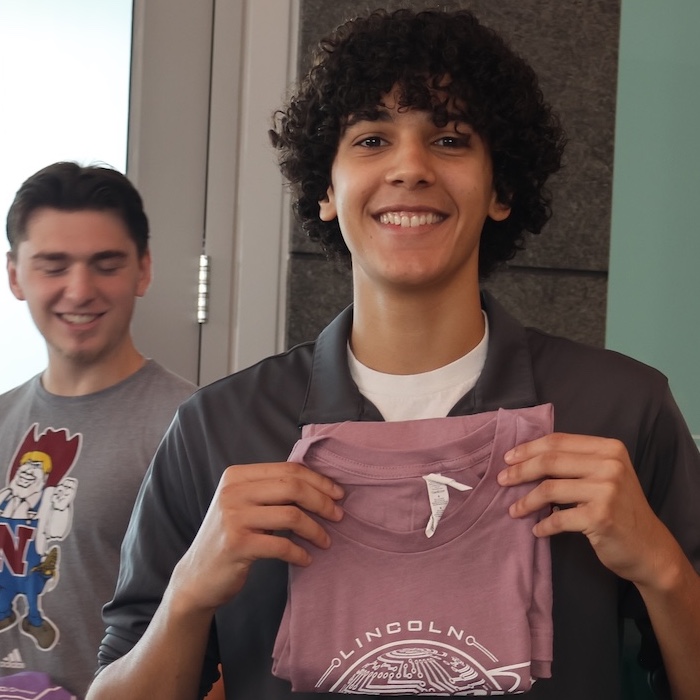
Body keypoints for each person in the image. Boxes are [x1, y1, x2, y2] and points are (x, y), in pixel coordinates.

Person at [88, 8, 700, 700]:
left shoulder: (621, 411)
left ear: (502, 190)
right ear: (325, 188)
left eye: (449, 138)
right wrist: (190, 593)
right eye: (373, 138)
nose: (410, 167)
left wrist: (661, 566)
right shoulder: (216, 432)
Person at [0, 162, 196, 698]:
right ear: (15, 275)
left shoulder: (194, 429)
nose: (79, 290)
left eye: (105, 264)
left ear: (143, 271)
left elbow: (231, 642)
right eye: (53, 265)